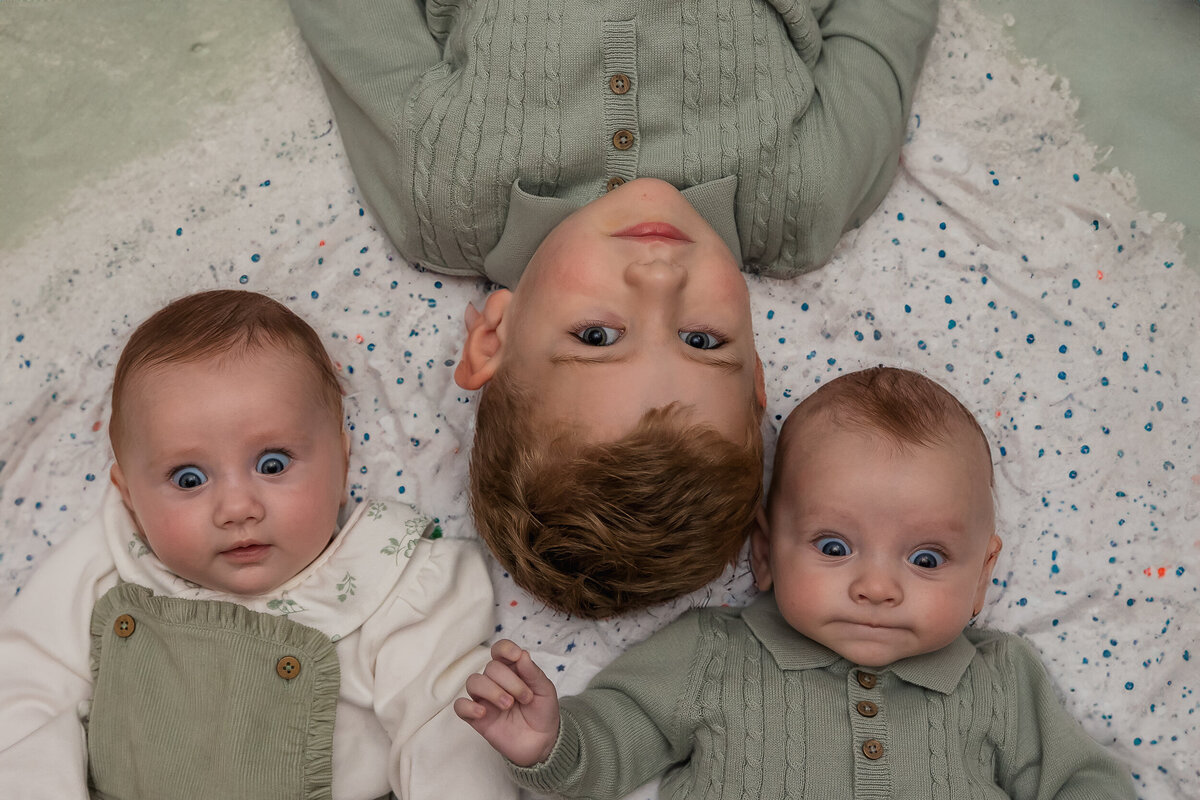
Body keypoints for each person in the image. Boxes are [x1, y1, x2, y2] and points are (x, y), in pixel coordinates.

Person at [285, 0, 940, 619]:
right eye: (704, 341)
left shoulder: (440, 202)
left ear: (495, 338)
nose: (658, 278)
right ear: (758, 375)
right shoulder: (806, 199)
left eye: (597, 335)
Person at [454, 367, 1137, 798]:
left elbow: (1082, 780)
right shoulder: (711, 654)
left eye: (926, 560)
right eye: (835, 546)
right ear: (765, 551)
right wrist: (551, 743)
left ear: (983, 576)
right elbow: (614, 743)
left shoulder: (998, 679)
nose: (877, 587)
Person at [0, 290, 515, 800]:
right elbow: (21, 696)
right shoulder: (106, 567)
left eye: (272, 465)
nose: (237, 507)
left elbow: (445, 737)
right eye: (188, 479)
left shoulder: (394, 584)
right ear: (130, 499)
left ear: (342, 464)